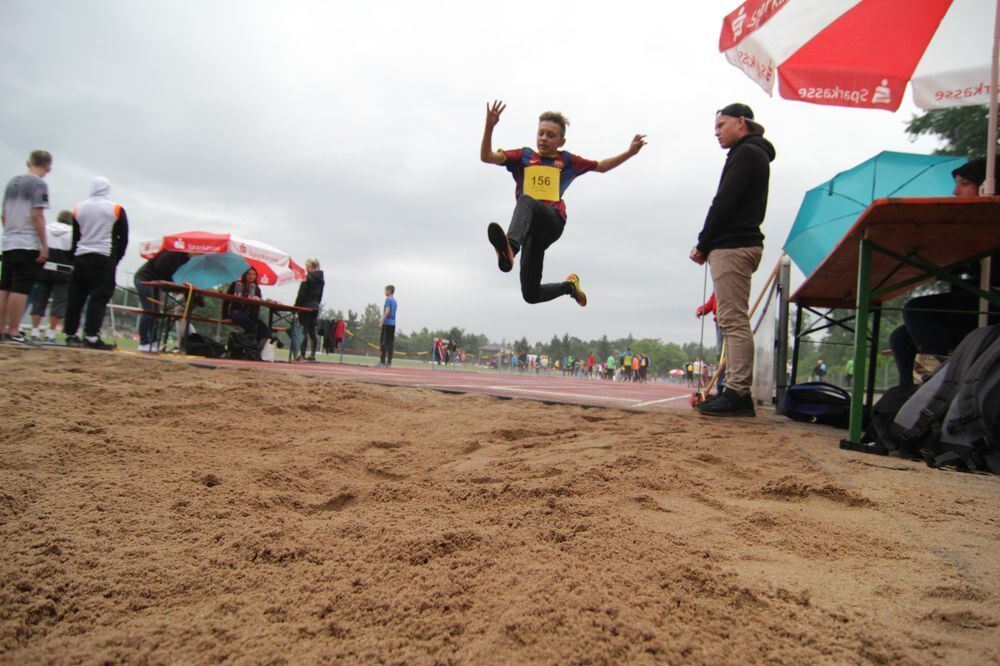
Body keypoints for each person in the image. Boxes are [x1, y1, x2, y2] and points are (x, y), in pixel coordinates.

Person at [481, 101, 646, 307]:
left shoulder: (566, 160)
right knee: (530, 295)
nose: (544, 138)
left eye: (551, 135)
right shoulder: (523, 156)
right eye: (541, 133)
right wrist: (489, 126)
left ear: (561, 141)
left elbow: (601, 166)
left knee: (526, 200)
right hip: (530, 231)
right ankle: (570, 287)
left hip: (552, 221)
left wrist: (629, 152)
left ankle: (510, 249)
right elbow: (487, 157)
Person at [691, 103, 775, 417]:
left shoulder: (746, 153)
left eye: (721, 125)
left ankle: (738, 392)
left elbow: (724, 200)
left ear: (741, 123)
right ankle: (735, 390)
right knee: (732, 319)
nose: (716, 132)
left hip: (734, 246)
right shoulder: (754, 154)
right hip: (740, 244)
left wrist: (703, 243)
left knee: (732, 320)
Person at [888, 157, 999, 387]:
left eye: (964, 183)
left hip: (994, 307)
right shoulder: (973, 230)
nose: (955, 191)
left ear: (988, 186)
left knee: (918, 310)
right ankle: (905, 402)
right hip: (984, 305)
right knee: (900, 337)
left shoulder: (991, 224)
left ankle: (934, 390)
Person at [63, 177, 129, 350]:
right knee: (99, 297)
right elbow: (123, 237)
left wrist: (74, 257)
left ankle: (71, 334)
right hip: (104, 255)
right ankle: (92, 336)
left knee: (76, 296)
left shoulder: (79, 208)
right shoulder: (116, 209)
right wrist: (116, 258)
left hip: (82, 255)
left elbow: (75, 237)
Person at [1, 150, 52, 344]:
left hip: (9, 240)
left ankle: (1, 329)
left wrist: (9, 233)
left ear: (29, 162)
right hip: (26, 241)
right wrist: (43, 244)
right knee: (20, 288)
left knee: (4, 286)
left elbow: (4, 214)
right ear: (47, 166)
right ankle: (13, 331)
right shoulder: (39, 184)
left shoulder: (12, 182)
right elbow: (37, 215)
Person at [29, 210, 74, 342]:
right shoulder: (72, 232)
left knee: (39, 301)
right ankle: (51, 334)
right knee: (59, 304)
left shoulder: (46, 229)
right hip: (63, 271)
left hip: (44, 269)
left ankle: (35, 332)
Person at [133, 249, 191, 352]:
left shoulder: (186, 260)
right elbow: (160, 266)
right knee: (149, 310)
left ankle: (153, 341)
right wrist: (175, 281)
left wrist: (178, 283)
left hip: (156, 283)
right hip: (145, 279)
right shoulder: (172, 252)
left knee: (155, 312)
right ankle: (144, 342)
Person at [223, 267, 273, 346]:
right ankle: (251, 344)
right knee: (254, 326)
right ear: (245, 275)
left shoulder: (256, 289)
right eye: (248, 274)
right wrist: (224, 316)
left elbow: (257, 310)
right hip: (235, 312)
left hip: (249, 314)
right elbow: (226, 300)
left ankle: (269, 341)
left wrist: (257, 302)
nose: (251, 276)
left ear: (256, 276)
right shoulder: (236, 284)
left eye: (253, 274)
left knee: (262, 326)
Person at [294, 258, 325, 362]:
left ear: (312, 267)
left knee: (304, 331)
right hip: (315, 307)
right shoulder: (321, 280)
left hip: (305, 306)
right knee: (312, 331)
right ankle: (312, 355)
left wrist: (296, 306)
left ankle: (302, 355)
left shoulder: (307, 278)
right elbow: (320, 295)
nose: (306, 268)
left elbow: (301, 293)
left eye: (307, 266)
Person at [379, 284, 397, 367]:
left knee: (384, 342)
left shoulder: (388, 299)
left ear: (389, 291)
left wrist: (381, 322)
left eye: (385, 290)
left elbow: (387, 310)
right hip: (393, 324)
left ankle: (382, 361)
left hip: (387, 323)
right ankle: (389, 361)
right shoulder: (395, 301)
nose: (385, 292)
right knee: (390, 343)